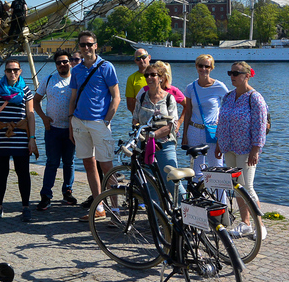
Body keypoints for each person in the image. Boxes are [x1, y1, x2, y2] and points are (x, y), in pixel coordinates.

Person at [68, 31, 120, 221]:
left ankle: (115, 208)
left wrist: (106, 120)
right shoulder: (77, 70)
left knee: (107, 166)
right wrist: (71, 123)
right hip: (79, 121)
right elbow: (73, 98)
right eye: (83, 45)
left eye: (89, 44)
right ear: (79, 47)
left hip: (100, 122)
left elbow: (116, 97)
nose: (86, 48)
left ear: (96, 45)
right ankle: (98, 206)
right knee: (89, 164)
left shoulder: (106, 67)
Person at [215, 61, 268, 239]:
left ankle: (260, 226)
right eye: (230, 73)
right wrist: (218, 144)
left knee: (248, 187)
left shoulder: (255, 98)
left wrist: (256, 149)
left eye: (236, 73)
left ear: (247, 75)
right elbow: (221, 122)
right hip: (229, 147)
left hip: (246, 149)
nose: (232, 77)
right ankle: (246, 223)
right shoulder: (228, 97)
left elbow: (260, 126)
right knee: (237, 187)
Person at [0, 59, 37, 222]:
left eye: (15, 70)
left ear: (20, 71)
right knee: (1, 173)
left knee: (23, 173)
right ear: (4, 72)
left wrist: (32, 138)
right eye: (9, 70)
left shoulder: (26, 90)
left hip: (20, 137)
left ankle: (26, 207)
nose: (12, 73)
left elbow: (30, 116)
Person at [33, 50, 77, 211]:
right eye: (58, 62)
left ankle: (67, 191)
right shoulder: (49, 80)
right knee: (52, 162)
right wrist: (44, 118)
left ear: (70, 62)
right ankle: (46, 195)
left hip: (71, 130)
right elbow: (35, 101)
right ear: (56, 65)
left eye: (65, 61)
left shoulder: (76, 80)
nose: (62, 64)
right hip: (52, 129)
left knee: (69, 162)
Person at [132, 62, 180, 194]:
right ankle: (156, 213)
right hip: (144, 146)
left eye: (153, 75)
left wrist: (153, 137)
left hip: (165, 144)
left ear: (161, 77)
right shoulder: (141, 97)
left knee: (172, 182)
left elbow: (172, 125)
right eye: (146, 75)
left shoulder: (169, 99)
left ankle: (186, 211)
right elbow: (135, 121)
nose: (149, 78)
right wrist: (145, 139)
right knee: (150, 184)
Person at [183, 54, 229, 178]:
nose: (203, 69)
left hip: (212, 131)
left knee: (217, 170)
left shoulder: (219, 86)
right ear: (196, 67)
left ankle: (220, 198)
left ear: (211, 68)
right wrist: (184, 136)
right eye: (200, 66)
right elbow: (188, 113)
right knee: (196, 171)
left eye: (207, 66)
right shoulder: (190, 88)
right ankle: (200, 196)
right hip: (194, 130)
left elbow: (229, 107)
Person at [125, 49, 150, 113]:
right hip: (141, 118)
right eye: (138, 59)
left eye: (143, 57)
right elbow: (130, 104)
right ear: (135, 61)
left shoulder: (159, 75)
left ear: (149, 57)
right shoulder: (132, 78)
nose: (141, 60)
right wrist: (138, 118)